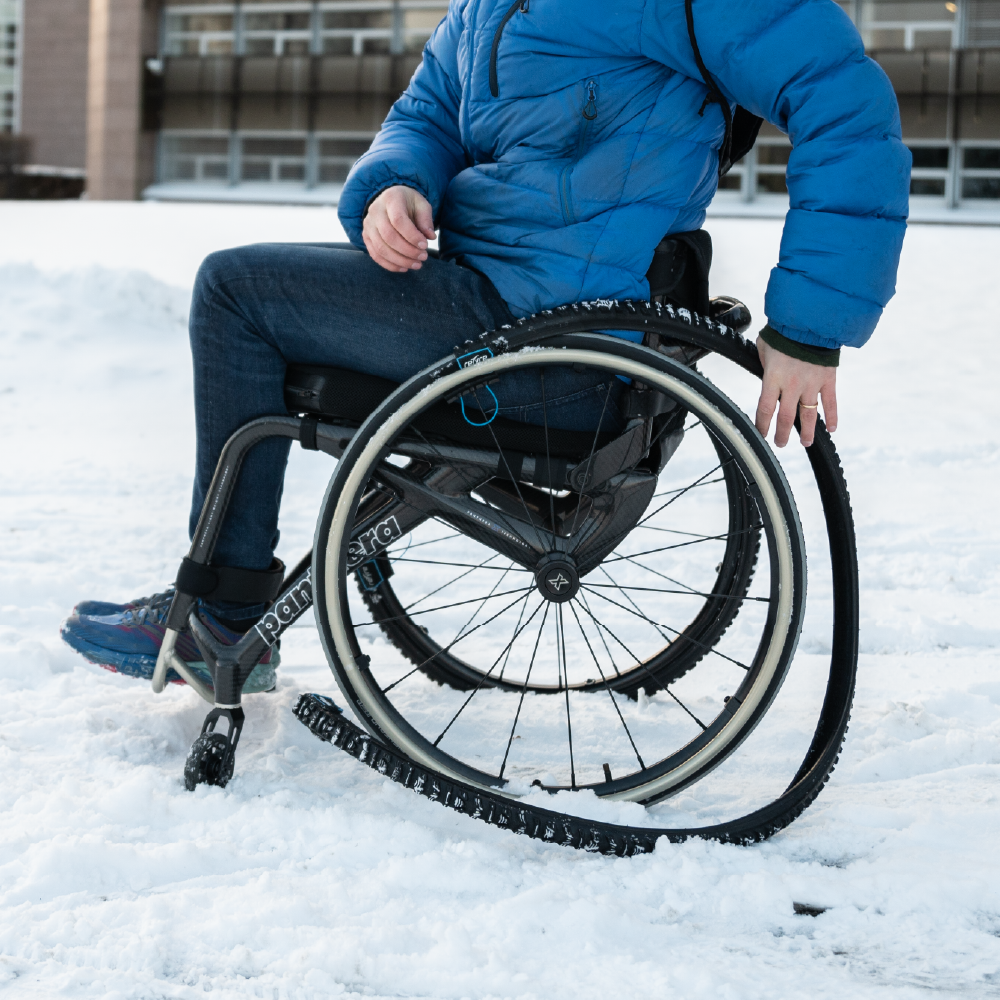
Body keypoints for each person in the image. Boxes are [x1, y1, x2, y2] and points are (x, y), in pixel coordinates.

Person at [61, 0, 910, 684]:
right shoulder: (482, 12)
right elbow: (422, 120)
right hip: (486, 303)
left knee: (233, 292)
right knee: (253, 293)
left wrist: (810, 328)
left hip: (549, 345)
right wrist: (395, 189)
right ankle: (225, 609)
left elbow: (846, 103)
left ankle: (222, 615)